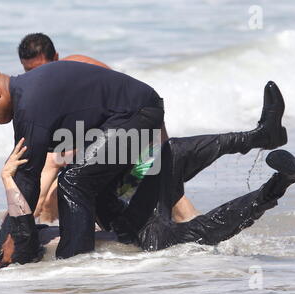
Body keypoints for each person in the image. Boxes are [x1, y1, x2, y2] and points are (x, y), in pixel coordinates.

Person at [0, 77, 295, 273]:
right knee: (202, 226)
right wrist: (8, 188)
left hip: (131, 216)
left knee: (160, 157)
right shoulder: (19, 259)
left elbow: (22, 213)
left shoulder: (16, 248)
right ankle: (280, 178)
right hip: (145, 237)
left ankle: (76, 261)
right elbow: (23, 219)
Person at [17, 33, 191, 225]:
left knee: (171, 200)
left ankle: (24, 231)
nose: (34, 78)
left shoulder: (77, 68)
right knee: (57, 191)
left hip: (146, 142)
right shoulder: (50, 88)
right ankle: (38, 233)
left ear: (56, 58)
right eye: (28, 71)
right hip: (126, 139)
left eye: (40, 69)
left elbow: (132, 105)